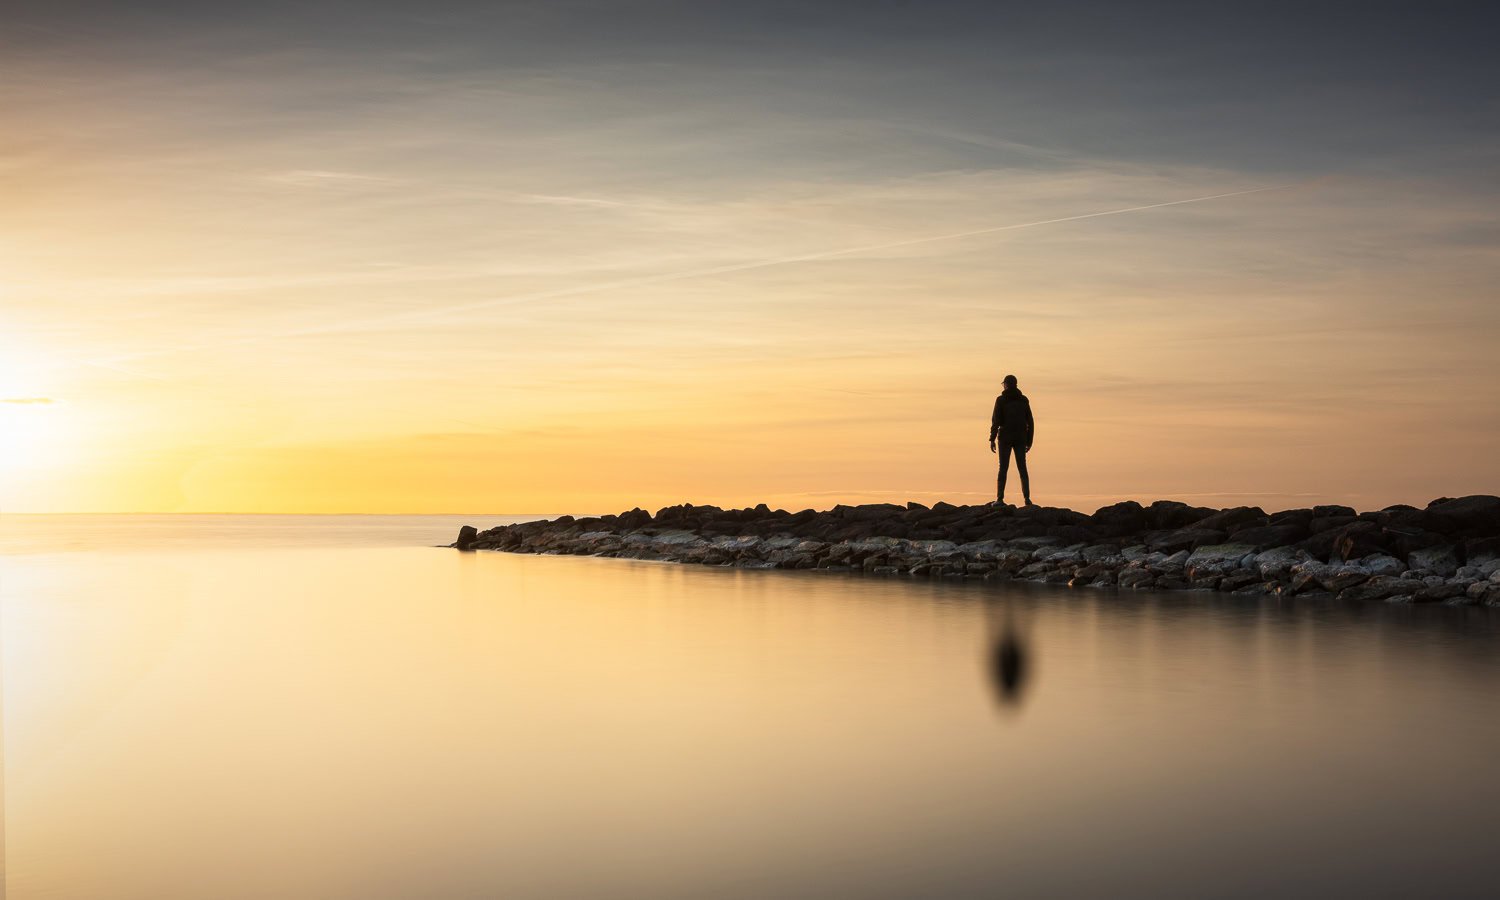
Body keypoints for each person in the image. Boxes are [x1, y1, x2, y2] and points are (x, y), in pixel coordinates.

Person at [988, 374, 1034, 506]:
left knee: (1003, 468)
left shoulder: (1001, 400)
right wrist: (1029, 441)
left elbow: (996, 420)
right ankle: (1027, 499)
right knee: (1022, 468)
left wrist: (992, 438)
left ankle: (999, 499)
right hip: (1021, 437)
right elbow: (1030, 421)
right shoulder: (1024, 400)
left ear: (1006, 385)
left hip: (1005, 437)